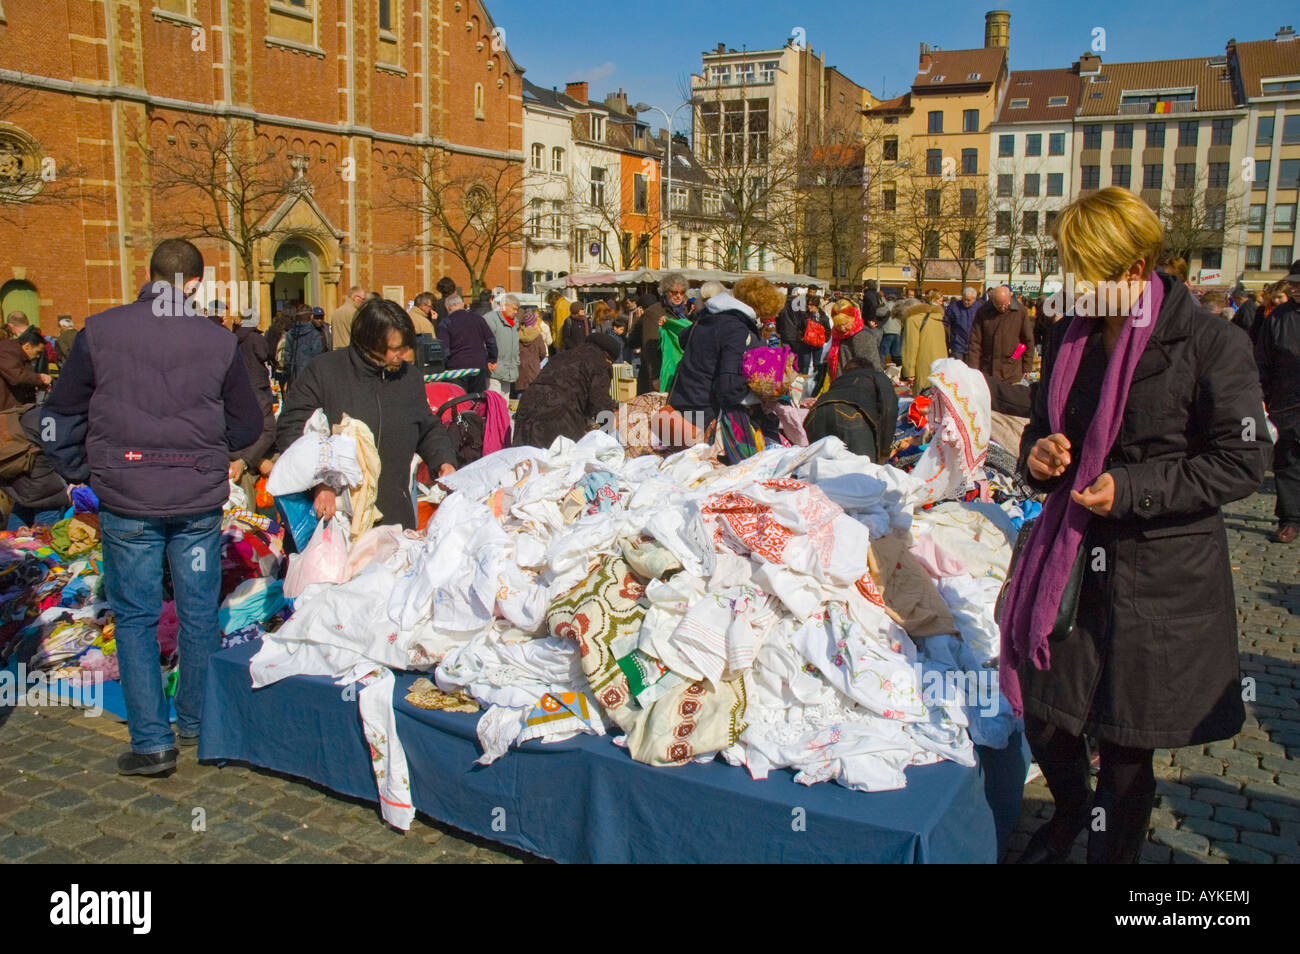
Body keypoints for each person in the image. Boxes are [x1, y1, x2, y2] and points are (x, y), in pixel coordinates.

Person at [1005, 187, 1268, 864]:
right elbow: (1046, 429)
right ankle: (1067, 813)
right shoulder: (1073, 332)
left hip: (1159, 576)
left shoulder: (1212, 341)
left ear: (1137, 267)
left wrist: (1133, 488)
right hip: (1071, 556)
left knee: (1124, 745)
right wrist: (1040, 455)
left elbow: (1240, 461)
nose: (1079, 288)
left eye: (1092, 274)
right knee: (1046, 714)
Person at [41, 238, 264, 775]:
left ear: (149, 275)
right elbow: (249, 424)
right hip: (193, 499)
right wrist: (213, 454)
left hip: (129, 496)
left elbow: (58, 416)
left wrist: (83, 472)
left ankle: (151, 741)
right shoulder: (218, 341)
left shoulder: (100, 331)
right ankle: (196, 722)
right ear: (194, 284)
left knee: (137, 617)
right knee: (197, 612)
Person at [276, 298, 456, 531]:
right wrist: (320, 483)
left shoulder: (408, 378)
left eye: (406, 347)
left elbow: (427, 427)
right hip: (336, 518)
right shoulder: (323, 372)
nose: (403, 355)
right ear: (370, 343)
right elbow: (291, 431)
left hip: (393, 516)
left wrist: (443, 461)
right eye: (395, 349)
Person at [667, 278, 768, 460]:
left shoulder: (704, 321)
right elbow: (728, 387)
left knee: (683, 472)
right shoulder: (736, 328)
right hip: (706, 414)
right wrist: (755, 382)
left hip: (681, 405)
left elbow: (684, 339)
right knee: (712, 477)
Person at [1254, 260, 1300, 544]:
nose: (1293, 286)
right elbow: (1262, 359)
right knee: (1287, 463)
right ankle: (1290, 518)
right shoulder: (1279, 317)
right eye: (1293, 282)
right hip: (1286, 402)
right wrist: (1259, 396)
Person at [512, 332, 620, 449]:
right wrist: (609, 440)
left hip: (526, 408)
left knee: (526, 461)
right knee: (557, 463)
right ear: (609, 357)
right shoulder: (600, 363)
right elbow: (600, 403)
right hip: (558, 417)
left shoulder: (563, 355)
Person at [803, 354, 899, 464]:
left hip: (815, 414)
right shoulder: (877, 376)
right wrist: (884, 451)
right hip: (850, 413)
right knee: (862, 470)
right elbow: (889, 409)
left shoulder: (839, 381)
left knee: (823, 470)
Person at [632, 273, 688, 393]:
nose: (678, 296)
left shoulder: (683, 313)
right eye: (674, 292)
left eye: (682, 292)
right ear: (666, 292)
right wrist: (655, 376)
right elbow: (649, 346)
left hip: (676, 373)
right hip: (658, 374)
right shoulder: (654, 312)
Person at [968, 285, 1034, 385]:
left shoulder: (1020, 311)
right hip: (988, 368)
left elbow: (1028, 340)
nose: (1003, 308)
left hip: (1012, 369)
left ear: (1010, 297)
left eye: (1006, 304)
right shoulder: (983, 311)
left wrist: (1027, 366)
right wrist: (973, 368)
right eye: (998, 305)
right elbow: (975, 342)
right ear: (992, 301)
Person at [436, 292, 497, 393]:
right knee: (477, 402)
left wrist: (445, 366)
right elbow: (491, 341)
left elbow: (444, 349)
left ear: (447, 308)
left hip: (456, 369)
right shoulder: (478, 319)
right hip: (478, 366)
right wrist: (492, 358)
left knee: (459, 402)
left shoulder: (445, 323)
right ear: (463, 304)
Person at [900, 296, 948, 393]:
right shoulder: (936, 318)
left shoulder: (912, 320)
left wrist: (909, 372)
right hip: (941, 367)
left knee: (922, 401)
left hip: (923, 367)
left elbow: (910, 348)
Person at [827, 300, 880, 382]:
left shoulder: (862, 337)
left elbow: (874, 368)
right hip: (842, 385)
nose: (842, 329)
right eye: (838, 325)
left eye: (845, 323)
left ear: (853, 318)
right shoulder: (837, 335)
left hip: (856, 387)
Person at [0, 326, 52, 411]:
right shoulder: (6, 352)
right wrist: (40, 378)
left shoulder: (18, 353)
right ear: (27, 346)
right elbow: (17, 377)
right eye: (37, 352)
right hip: (6, 409)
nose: (38, 356)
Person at [280, 303, 329, 386]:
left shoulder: (290, 333)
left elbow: (287, 357)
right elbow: (318, 357)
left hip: (294, 376)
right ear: (311, 317)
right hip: (310, 377)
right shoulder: (315, 334)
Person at [484, 293, 520, 396]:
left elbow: (515, 346)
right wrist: (487, 360)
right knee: (494, 403)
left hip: (508, 370)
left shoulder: (514, 322)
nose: (516, 312)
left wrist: (516, 362)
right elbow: (483, 343)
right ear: (505, 306)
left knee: (504, 404)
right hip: (494, 369)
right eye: (514, 309)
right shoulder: (490, 319)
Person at [943, 287, 980, 363]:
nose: (966, 302)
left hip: (973, 345)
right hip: (958, 345)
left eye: (968, 300)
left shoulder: (979, 308)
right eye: (964, 299)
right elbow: (945, 322)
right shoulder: (954, 307)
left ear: (974, 299)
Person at [515, 309, 548, 394]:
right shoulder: (537, 336)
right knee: (533, 393)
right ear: (534, 323)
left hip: (521, 368)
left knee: (521, 393)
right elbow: (543, 352)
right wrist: (537, 360)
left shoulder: (518, 335)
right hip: (534, 368)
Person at [330, 284, 368, 350]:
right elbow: (360, 335)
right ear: (355, 297)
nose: (363, 302)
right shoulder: (355, 313)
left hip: (336, 352)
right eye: (363, 299)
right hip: (350, 352)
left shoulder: (336, 312)